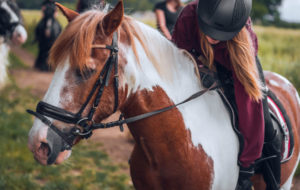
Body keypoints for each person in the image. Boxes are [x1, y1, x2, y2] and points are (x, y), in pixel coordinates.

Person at [172, 0, 281, 189]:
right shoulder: (189, 15)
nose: (214, 38)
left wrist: (246, 164)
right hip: (201, 59)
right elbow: (177, 57)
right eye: (210, 30)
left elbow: (249, 106)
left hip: (237, 60)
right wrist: (198, 68)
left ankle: (271, 180)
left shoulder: (243, 37)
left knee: (263, 118)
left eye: (220, 34)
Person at [34, 0, 61, 71]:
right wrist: (44, 15)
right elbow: (42, 11)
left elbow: (56, 12)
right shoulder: (45, 3)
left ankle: (60, 38)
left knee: (59, 26)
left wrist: (55, 15)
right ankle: (36, 37)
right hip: (45, 18)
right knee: (38, 26)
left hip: (52, 18)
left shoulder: (55, 3)